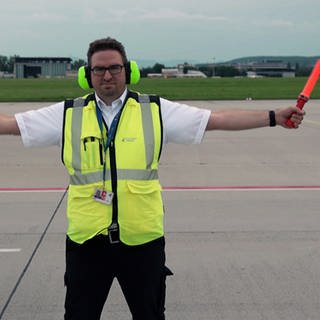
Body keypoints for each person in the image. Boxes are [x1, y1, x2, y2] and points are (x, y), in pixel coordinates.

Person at [0, 37, 304, 320]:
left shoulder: (155, 110)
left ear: (128, 70)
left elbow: (217, 119)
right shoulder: (68, 114)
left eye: (115, 68)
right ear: (87, 74)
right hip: (87, 242)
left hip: (142, 241)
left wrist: (274, 116)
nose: (107, 76)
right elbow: (10, 125)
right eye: (99, 69)